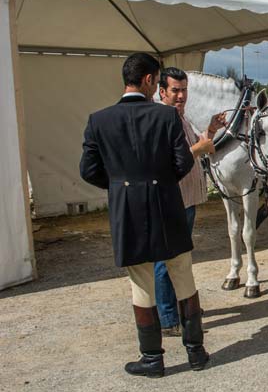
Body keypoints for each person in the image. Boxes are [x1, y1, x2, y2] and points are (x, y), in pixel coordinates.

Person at [79, 53, 209, 377]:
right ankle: (196, 353)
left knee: (141, 287)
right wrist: (160, 183)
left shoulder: (99, 120)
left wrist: (122, 188)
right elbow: (183, 163)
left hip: (128, 212)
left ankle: (152, 359)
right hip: (168, 207)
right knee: (184, 279)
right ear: (150, 80)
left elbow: (88, 170)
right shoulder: (166, 117)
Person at [153, 67, 225, 337]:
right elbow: (174, 158)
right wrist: (200, 147)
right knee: (166, 260)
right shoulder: (161, 120)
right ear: (162, 92)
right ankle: (168, 319)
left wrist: (211, 130)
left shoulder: (180, 118)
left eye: (184, 90)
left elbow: (199, 145)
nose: (181, 95)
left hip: (187, 200)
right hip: (173, 200)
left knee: (180, 259)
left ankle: (180, 309)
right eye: (175, 90)